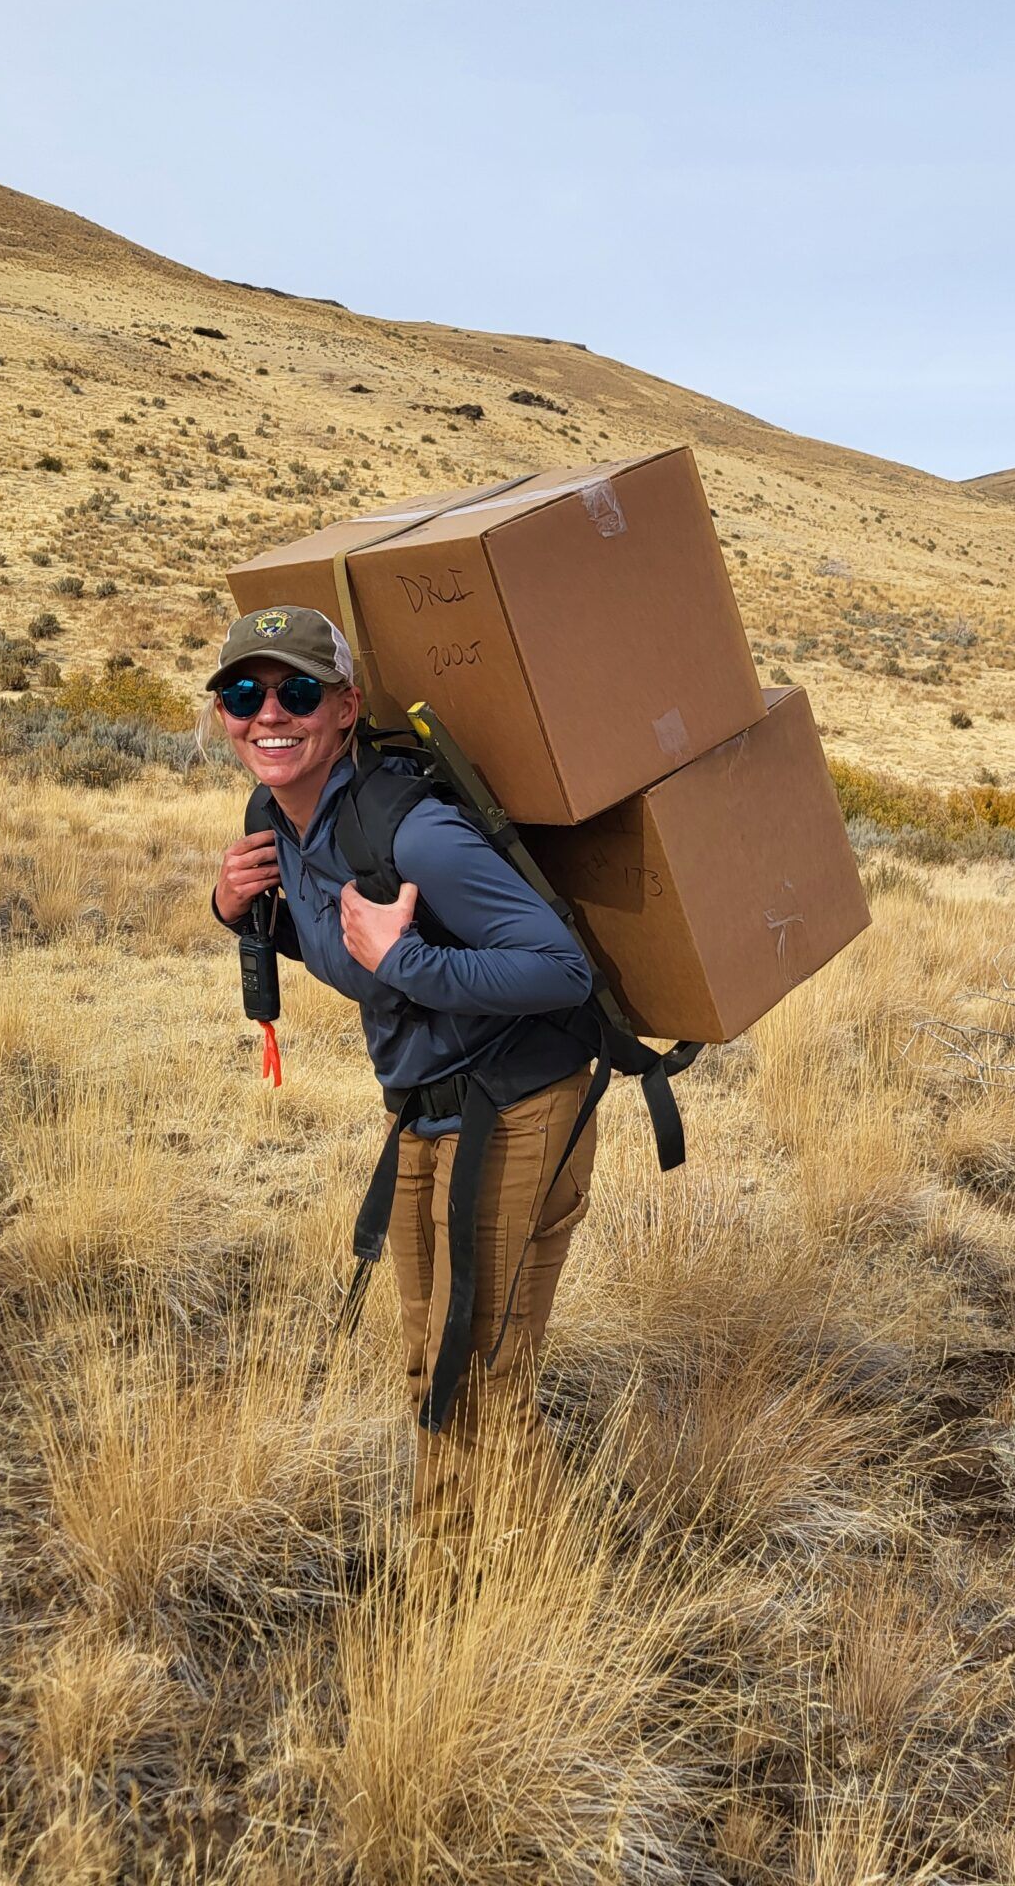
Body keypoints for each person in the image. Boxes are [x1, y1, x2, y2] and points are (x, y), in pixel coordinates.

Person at [208, 605, 602, 1519]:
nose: (268, 715)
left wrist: (408, 961)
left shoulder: (414, 832)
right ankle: (445, 1575)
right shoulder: (277, 815)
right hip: (424, 1106)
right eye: (243, 694)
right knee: (432, 1361)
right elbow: (332, 940)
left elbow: (561, 969)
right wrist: (231, 910)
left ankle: (522, 1598)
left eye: (297, 692)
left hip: (517, 1102)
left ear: (345, 708)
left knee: (483, 1374)